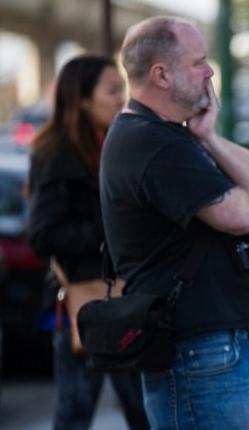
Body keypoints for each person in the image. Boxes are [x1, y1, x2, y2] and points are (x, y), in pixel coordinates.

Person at [100, 16, 249, 429]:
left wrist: (209, 137)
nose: (210, 72)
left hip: (207, 349)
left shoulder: (168, 135)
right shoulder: (150, 143)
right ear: (161, 75)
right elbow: (245, 215)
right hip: (197, 353)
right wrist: (238, 193)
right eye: (198, 62)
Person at [27, 55, 149, 430]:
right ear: (81, 98)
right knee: (75, 413)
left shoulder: (117, 141)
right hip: (86, 303)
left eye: (122, 88)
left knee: (145, 411)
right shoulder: (56, 154)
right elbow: (43, 234)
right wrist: (111, 227)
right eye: (112, 90)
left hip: (129, 300)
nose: (120, 98)